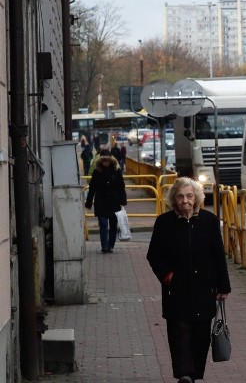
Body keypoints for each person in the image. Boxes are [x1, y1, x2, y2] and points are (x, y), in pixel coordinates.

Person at [147, 177, 231, 383]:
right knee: (180, 331)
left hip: (204, 288)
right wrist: (168, 277)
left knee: (201, 335)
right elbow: (154, 255)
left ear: (196, 198)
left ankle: (193, 374)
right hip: (176, 289)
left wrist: (223, 286)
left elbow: (219, 255)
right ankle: (185, 375)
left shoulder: (209, 221)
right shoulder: (164, 223)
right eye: (180, 196)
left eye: (189, 196)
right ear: (174, 200)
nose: (185, 200)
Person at [85, 152, 127, 253]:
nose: (105, 163)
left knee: (113, 225)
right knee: (103, 224)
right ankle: (104, 246)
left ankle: (110, 245)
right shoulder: (97, 172)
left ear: (111, 161)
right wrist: (89, 202)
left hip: (114, 202)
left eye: (107, 160)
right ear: (101, 161)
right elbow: (92, 189)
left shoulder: (116, 171)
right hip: (101, 202)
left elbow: (121, 187)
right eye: (103, 160)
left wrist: (122, 200)